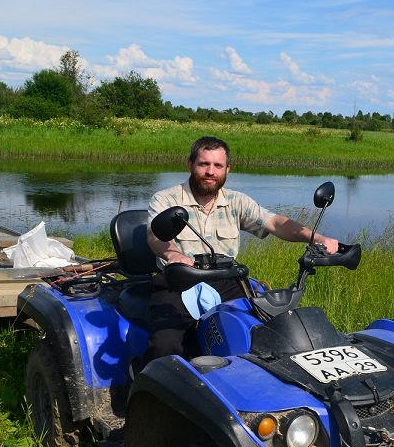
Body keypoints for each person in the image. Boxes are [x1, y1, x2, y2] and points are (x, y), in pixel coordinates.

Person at [143, 136, 339, 363]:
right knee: (165, 346)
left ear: (227, 169)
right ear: (190, 164)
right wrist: (174, 255)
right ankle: (150, 385)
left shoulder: (236, 202)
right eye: (204, 164)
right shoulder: (166, 198)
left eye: (217, 166)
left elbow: (274, 222)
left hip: (226, 281)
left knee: (263, 334)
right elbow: (155, 236)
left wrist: (316, 237)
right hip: (178, 281)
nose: (210, 171)